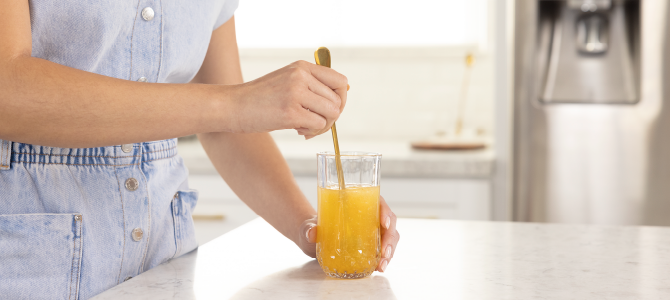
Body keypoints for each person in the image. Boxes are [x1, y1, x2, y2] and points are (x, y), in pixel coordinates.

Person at [0, 0, 400, 299]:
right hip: (32, 264)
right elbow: (8, 88)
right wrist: (238, 102)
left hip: (165, 261)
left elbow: (228, 129)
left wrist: (313, 229)